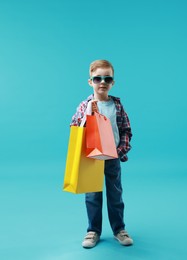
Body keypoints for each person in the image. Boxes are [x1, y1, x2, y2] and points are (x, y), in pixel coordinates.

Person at [70, 59, 133, 248]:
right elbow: (75, 127)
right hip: (92, 159)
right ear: (90, 81)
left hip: (112, 157)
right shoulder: (84, 105)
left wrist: (119, 151)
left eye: (107, 78)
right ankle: (93, 231)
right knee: (92, 196)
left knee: (115, 195)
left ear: (113, 82)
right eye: (97, 78)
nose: (102, 82)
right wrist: (86, 114)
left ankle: (119, 229)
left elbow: (126, 130)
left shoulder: (117, 106)